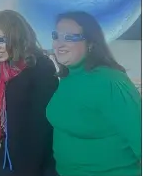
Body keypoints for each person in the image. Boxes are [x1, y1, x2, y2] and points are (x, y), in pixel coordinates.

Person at [46, 11, 142, 176]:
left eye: (69, 37)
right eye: (56, 36)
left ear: (90, 43)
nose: (59, 44)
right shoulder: (68, 77)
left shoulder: (110, 82)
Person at [0, 10, 59, 176]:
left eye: (1, 40)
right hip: (3, 158)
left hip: (33, 163)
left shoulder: (40, 66)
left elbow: (43, 125)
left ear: (17, 36)